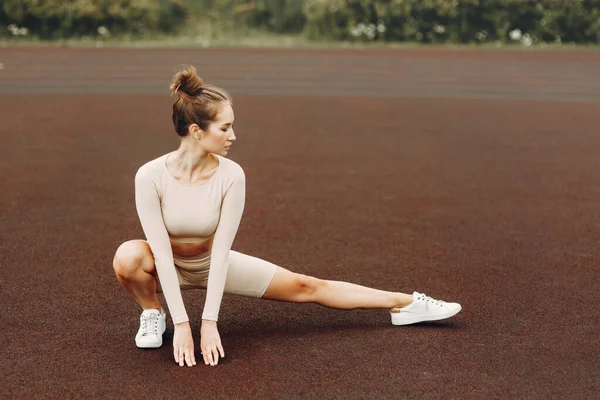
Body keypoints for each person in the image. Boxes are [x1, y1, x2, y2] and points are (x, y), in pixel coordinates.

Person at [112, 65, 462, 368]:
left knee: (307, 286)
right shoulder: (150, 176)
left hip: (211, 261)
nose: (233, 136)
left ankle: (405, 304)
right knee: (128, 257)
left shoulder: (232, 175)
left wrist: (209, 321)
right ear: (196, 131)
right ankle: (153, 313)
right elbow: (158, 252)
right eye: (225, 128)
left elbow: (220, 256)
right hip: (166, 264)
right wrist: (183, 324)